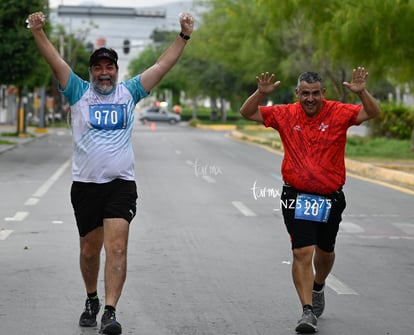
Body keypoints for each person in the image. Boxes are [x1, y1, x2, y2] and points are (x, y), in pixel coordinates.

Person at [27, 11, 194, 335]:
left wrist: (183, 36)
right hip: (86, 185)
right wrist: (38, 32)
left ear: (117, 71)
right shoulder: (77, 91)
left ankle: (110, 311)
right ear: (91, 72)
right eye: (99, 68)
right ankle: (91, 298)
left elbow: (161, 66)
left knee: (116, 248)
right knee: (90, 252)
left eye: (110, 67)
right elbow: (55, 60)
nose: (105, 72)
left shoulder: (129, 92)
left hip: (121, 184)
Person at [240, 68, 380, 333]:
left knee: (325, 252)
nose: (310, 98)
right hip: (296, 195)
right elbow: (247, 113)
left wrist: (362, 92)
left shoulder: (339, 111)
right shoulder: (285, 113)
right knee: (301, 251)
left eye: (315, 93)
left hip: (330, 197)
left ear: (323, 93)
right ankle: (307, 312)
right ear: (298, 93)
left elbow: (371, 113)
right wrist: (260, 93)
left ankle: (318, 286)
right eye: (305, 93)